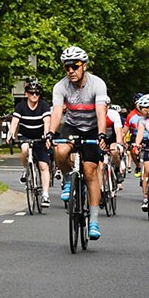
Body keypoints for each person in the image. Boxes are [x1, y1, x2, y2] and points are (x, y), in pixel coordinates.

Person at [46, 46, 109, 240]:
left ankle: (94, 221)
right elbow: (57, 112)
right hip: (72, 126)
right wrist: (50, 132)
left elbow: (100, 112)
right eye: (67, 67)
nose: (71, 70)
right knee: (60, 150)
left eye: (75, 66)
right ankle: (67, 180)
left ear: (84, 66)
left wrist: (100, 135)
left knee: (90, 172)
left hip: (91, 127)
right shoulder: (60, 86)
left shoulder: (97, 84)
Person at [6, 79, 52, 207]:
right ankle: (26, 168)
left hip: (40, 136)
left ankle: (45, 195)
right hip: (25, 135)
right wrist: (10, 134)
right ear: (26, 94)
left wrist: (47, 136)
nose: (34, 96)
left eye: (37, 93)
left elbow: (47, 122)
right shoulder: (20, 106)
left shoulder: (44, 105)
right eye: (31, 93)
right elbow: (15, 122)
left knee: (44, 166)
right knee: (25, 149)